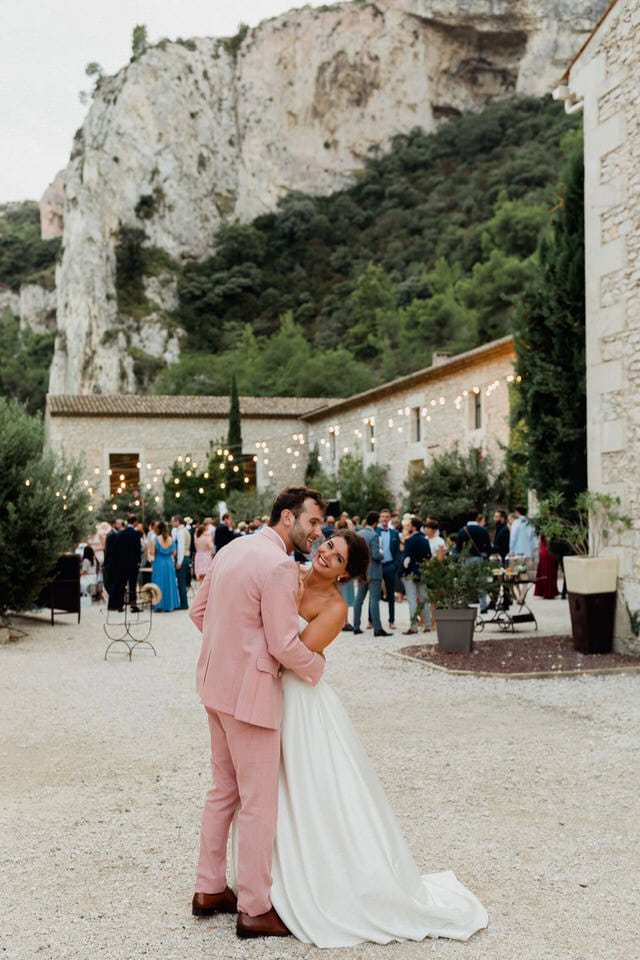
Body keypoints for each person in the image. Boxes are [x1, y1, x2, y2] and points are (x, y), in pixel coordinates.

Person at [229, 528, 488, 948]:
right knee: (262, 787)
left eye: (337, 558)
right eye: (328, 546)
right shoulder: (285, 571)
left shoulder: (334, 608)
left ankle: (315, 882)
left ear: (345, 575)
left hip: (297, 700)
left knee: (306, 787)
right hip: (264, 689)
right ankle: (262, 881)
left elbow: (294, 654)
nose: (326, 555)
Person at [189, 486, 326, 939]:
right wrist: (317, 667)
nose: (317, 531)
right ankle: (253, 908)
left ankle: (208, 889)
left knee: (222, 791)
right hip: (249, 699)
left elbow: (198, 611)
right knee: (258, 803)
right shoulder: (280, 566)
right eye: (312, 522)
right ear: (287, 517)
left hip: (214, 687)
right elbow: (284, 645)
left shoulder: (232, 548)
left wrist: (231, 644)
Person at [352, 511, 390, 637]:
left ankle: (356, 626)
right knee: (374, 600)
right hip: (374, 572)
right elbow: (376, 555)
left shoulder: (358, 534)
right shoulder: (373, 535)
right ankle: (377, 629)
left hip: (362, 572)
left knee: (359, 600)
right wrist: (382, 553)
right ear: (375, 522)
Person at [401, 517, 431, 635]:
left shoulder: (409, 541)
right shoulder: (425, 540)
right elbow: (428, 556)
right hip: (422, 571)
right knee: (425, 599)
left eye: (409, 525)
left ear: (413, 527)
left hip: (411, 573)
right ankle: (427, 625)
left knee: (412, 600)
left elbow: (405, 559)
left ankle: (414, 626)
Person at [108, 515, 142, 611]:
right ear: (135, 522)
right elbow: (137, 549)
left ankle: (120, 604)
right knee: (132, 584)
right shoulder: (135, 534)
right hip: (132, 563)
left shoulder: (120, 534)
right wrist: (138, 561)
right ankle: (133, 604)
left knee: (121, 584)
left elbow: (115, 549)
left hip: (121, 564)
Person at [377, 507, 401, 630]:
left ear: (389, 518)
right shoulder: (375, 532)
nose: (385, 519)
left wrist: (395, 565)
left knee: (391, 595)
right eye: (383, 517)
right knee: (375, 595)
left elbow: (397, 552)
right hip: (377, 566)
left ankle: (391, 620)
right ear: (380, 518)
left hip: (390, 566)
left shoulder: (395, 533)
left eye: (387, 517)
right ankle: (372, 621)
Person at [149, 521, 180, 612]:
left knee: (158, 583)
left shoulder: (155, 539)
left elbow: (152, 553)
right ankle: (169, 605)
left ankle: (159, 605)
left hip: (158, 563)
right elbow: (174, 553)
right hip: (168, 563)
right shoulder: (171, 539)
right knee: (169, 583)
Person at [508, 505, 538, 578]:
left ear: (517, 512)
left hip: (518, 552)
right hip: (528, 552)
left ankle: (519, 588)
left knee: (516, 572)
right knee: (527, 573)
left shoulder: (516, 523)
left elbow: (513, 538)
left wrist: (511, 551)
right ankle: (525, 589)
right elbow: (533, 539)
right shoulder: (530, 523)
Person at [171, 515, 191, 609]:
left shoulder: (180, 532)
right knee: (182, 581)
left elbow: (181, 547)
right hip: (186, 557)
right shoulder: (185, 530)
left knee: (181, 581)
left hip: (182, 558)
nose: (171, 523)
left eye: (172, 521)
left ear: (177, 521)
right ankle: (183, 603)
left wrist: (179, 561)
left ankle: (184, 604)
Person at [534, 534, 559, 599]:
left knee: (543, 572)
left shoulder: (542, 532)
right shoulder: (553, 532)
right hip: (551, 553)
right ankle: (550, 592)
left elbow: (539, 543)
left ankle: (543, 592)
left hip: (543, 553)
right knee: (551, 573)